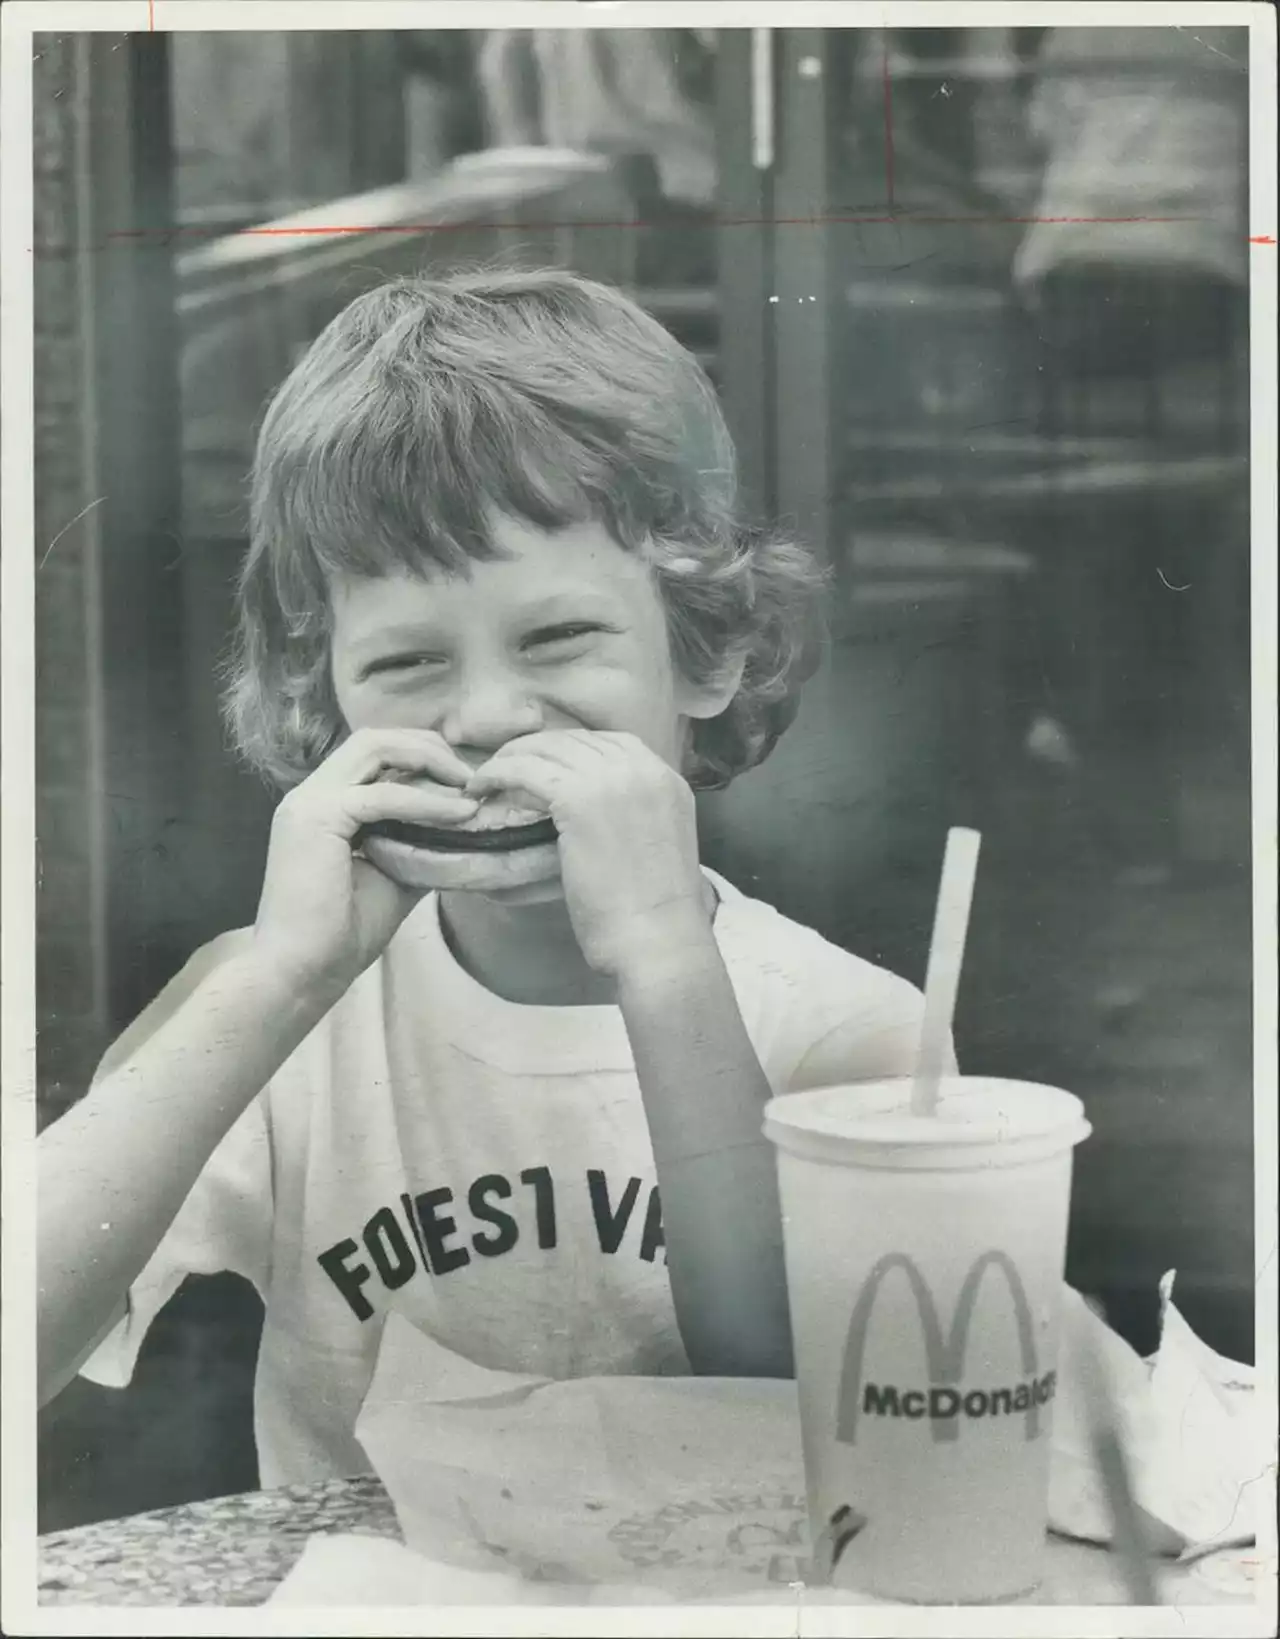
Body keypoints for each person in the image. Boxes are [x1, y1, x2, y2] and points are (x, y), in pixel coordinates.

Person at [38, 269, 941, 1489]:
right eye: (407, 660)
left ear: (708, 649)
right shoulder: (267, 1003)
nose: (488, 715)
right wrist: (278, 981)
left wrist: (667, 963)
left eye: (558, 638)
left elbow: (806, 1419)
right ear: (325, 702)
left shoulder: (845, 1028)